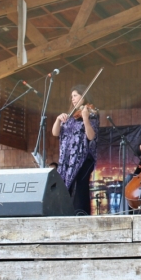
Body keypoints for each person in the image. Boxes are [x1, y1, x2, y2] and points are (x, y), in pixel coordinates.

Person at [52, 85, 99, 214]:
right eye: (72, 96)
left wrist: (85, 119)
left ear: (83, 96)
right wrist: (57, 120)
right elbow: (55, 133)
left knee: (80, 187)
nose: (73, 98)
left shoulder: (91, 114)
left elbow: (91, 136)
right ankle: (66, 213)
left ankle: (82, 213)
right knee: (66, 186)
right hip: (67, 158)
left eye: (76, 95)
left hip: (84, 157)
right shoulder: (69, 116)